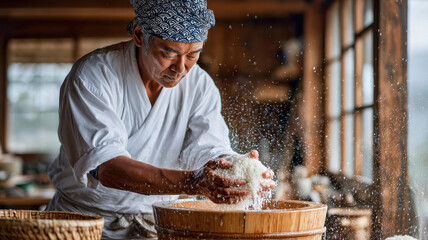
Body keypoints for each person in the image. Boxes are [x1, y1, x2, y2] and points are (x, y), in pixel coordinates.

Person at [46, 0, 275, 238]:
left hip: (156, 224)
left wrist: (233, 169)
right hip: (81, 223)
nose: (181, 68)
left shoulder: (200, 86)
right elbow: (107, 167)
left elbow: (208, 148)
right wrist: (191, 182)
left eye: (193, 55)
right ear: (139, 34)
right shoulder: (94, 76)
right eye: (169, 53)